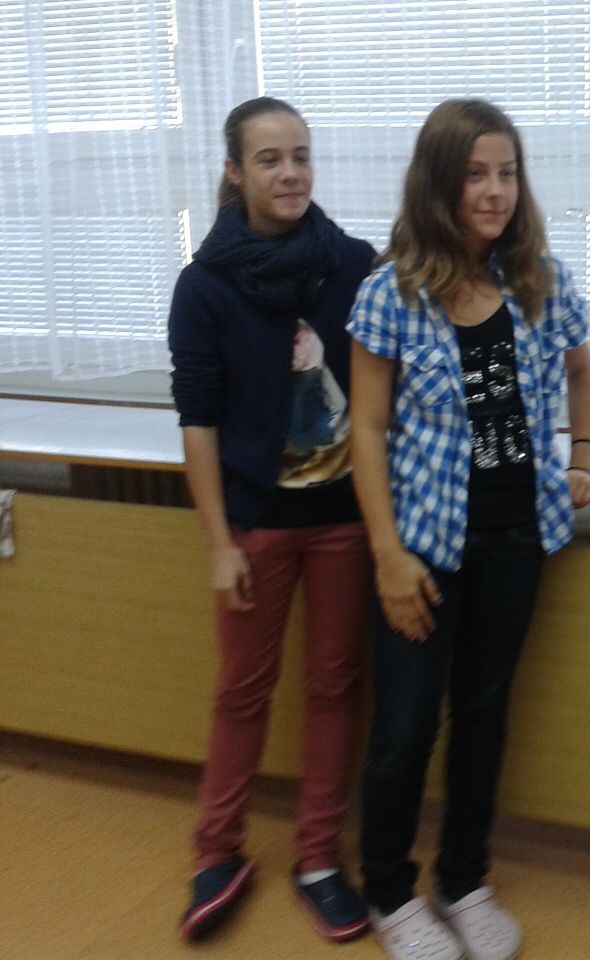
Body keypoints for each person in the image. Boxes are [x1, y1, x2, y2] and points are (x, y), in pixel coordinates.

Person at [346, 98, 590, 960]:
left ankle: (463, 880)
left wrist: (581, 458)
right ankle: (389, 891)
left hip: (514, 536)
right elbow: (366, 431)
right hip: (421, 544)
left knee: (484, 714)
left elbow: (581, 372)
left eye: (507, 173)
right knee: (405, 727)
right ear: (438, 184)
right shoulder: (389, 292)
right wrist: (386, 554)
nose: (494, 192)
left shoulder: (540, 279)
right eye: (475, 175)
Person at [168, 96, 376, 944]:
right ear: (234, 171)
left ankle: (319, 858)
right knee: (242, 690)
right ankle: (218, 852)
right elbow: (197, 420)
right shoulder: (204, 285)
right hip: (255, 520)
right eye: (269, 159)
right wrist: (219, 542)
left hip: (345, 520)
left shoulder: (353, 264)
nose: (290, 173)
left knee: (334, 686)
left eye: (301, 156)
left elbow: (385, 389)